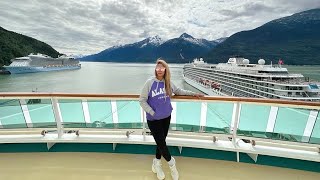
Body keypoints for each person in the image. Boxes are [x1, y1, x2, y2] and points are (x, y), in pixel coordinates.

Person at [139, 58, 204, 180]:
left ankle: (157, 163)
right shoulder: (150, 82)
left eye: (162, 68)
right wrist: (152, 112)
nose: (159, 70)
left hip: (166, 117)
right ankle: (172, 164)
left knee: (160, 142)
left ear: (165, 69)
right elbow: (141, 100)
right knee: (162, 143)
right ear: (155, 69)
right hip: (153, 119)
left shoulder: (168, 82)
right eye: (157, 67)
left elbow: (179, 91)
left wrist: (193, 93)